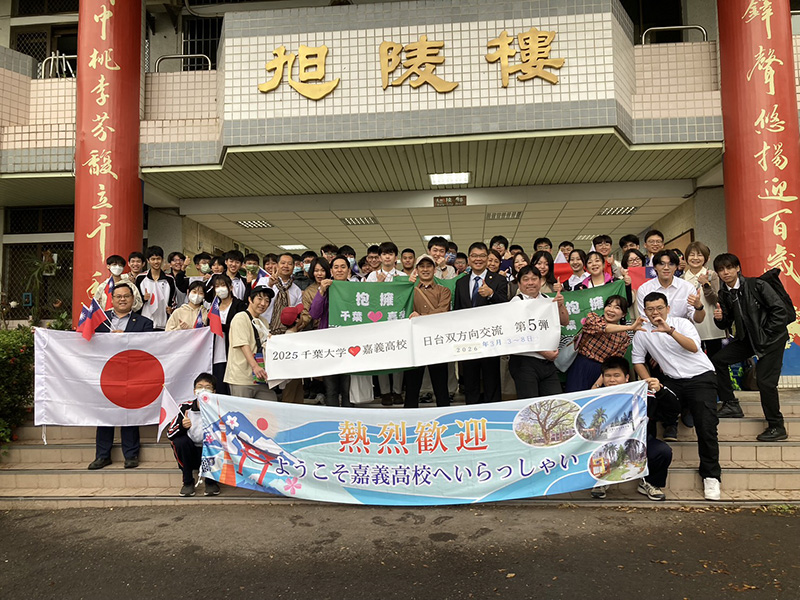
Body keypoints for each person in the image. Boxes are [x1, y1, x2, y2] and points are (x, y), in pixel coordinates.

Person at [632, 292, 722, 501]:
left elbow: (694, 347)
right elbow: (637, 361)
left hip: (701, 377)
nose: (655, 312)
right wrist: (649, 381)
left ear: (668, 308)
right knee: (651, 408)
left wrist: (670, 331)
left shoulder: (682, 323)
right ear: (644, 311)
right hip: (672, 381)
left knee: (706, 425)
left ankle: (711, 476)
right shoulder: (643, 332)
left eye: (659, 308)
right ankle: (650, 475)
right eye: (650, 309)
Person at [712, 253, 790, 441]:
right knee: (718, 360)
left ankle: (777, 426)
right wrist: (720, 319)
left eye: (729, 267)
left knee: (765, 382)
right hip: (748, 339)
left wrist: (766, 333)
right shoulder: (724, 294)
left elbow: (780, 311)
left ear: (738, 268)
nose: (726, 272)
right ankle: (731, 404)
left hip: (771, 339)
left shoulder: (757, 285)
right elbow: (726, 324)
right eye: (721, 269)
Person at [88, 282, 154, 470]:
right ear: (112, 299)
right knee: (105, 415)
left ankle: (131, 455)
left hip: (131, 374)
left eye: (126, 296)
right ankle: (102, 455)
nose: (122, 299)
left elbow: (151, 346)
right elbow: (83, 340)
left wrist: (126, 337)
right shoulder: (99, 320)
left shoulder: (144, 323)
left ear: (133, 299)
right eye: (118, 296)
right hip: (105, 375)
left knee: (129, 414)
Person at [589, 357, 675, 502]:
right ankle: (600, 481)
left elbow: (673, 409)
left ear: (627, 377)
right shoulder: (596, 397)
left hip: (638, 443)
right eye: (608, 376)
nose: (612, 380)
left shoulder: (643, 395)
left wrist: (661, 390)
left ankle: (650, 483)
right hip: (608, 444)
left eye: (617, 375)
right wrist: (596, 386)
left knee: (662, 451)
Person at [454, 242, 508, 403]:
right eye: (474, 256)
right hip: (469, 339)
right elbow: (457, 310)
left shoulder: (499, 280)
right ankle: (472, 410)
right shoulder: (461, 282)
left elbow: (506, 307)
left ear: (487, 258)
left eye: (482, 256)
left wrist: (491, 294)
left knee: (491, 379)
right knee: (470, 379)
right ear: (469, 259)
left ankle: (494, 410)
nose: (478, 259)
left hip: (490, 338)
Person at [507, 266, 569, 399]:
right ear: (519, 284)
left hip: (547, 363)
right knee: (530, 403)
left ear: (540, 281)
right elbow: (518, 334)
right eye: (526, 279)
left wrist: (560, 305)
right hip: (525, 362)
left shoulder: (547, 299)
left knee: (555, 402)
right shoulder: (516, 302)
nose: (530, 282)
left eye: (534, 279)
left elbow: (564, 322)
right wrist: (545, 352)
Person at [565, 295, 643, 392]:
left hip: (602, 373)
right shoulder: (593, 319)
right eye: (609, 306)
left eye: (617, 308)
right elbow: (604, 328)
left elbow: (612, 363)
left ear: (623, 314)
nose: (611, 310)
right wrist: (630, 327)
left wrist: (597, 384)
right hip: (580, 366)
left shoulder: (624, 337)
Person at [405, 254, 452, 408]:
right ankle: (409, 417)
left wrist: (421, 317)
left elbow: (443, 312)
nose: (425, 269)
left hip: (436, 342)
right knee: (412, 386)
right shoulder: (408, 291)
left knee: (441, 386)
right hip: (414, 342)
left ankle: (444, 416)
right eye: (422, 266)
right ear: (416, 270)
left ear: (434, 269)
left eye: (429, 266)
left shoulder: (444, 291)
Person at [310, 255, 357, 406]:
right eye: (336, 267)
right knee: (331, 389)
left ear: (349, 270)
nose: (339, 270)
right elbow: (314, 313)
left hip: (351, 344)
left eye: (343, 267)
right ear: (331, 271)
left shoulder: (356, 290)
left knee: (348, 389)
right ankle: (334, 417)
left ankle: (349, 418)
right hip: (329, 344)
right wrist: (321, 291)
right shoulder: (326, 288)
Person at [167, 373, 221, 497]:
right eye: (200, 386)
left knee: (217, 439)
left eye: (207, 387)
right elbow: (170, 433)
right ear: (194, 390)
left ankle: (211, 482)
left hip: (212, 453)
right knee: (180, 441)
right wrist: (182, 426)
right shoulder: (185, 407)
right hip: (191, 454)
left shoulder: (219, 408)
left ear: (214, 392)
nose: (203, 390)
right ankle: (187, 482)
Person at [263, 253, 305, 404]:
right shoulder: (265, 282)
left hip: (287, 337)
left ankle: (288, 404)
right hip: (265, 333)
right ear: (277, 265)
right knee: (266, 372)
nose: (286, 266)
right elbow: (257, 302)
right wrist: (269, 286)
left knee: (289, 375)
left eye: (290, 263)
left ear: (293, 267)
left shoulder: (296, 290)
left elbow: (300, 313)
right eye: (283, 263)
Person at [224, 285, 276, 400]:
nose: (263, 303)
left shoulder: (264, 321)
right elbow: (243, 344)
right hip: (242, 378)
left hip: (261, 377)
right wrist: (255, 366)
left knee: (270, 406)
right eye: (259, 299)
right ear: (250, 299)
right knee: (242, 410)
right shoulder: (240, 317)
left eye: (267, 301)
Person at [636, 249, 705, 325]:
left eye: (671, 264)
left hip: (681, 330)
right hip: (654, 330)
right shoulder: (644, 289)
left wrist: (699, 307)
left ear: (676, 267)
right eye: (662, 264)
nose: (666, 267)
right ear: (655, 267)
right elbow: (645, 319)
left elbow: (698, 320)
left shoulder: (687, 288)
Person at [681, 241, 725, 356]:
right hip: (691, 326)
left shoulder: (711, 275)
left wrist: (706, 284)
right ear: (686, 258)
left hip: (710, 325)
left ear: (705, 258)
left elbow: (715, 300)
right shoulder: (682, 278)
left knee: (715, 358)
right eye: (692, 255)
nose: (695, 258)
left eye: (699, 255)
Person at [208, 274, 248, 396]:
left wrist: (221, 326)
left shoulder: (239, 305)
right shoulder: (213, 307)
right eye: (217, 286)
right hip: (217, 353)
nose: (220, 289)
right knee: (219, 385)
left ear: (230, 287)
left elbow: (240, 326)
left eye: (223, 285)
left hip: (233, 351)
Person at [136, 245, 177, 330]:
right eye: (153, 259)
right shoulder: (141, 278)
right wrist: (143, 298)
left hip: (163, 321)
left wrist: (171, 309)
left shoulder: (169, 279)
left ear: (162, 260)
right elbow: (136, 300)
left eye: (158, 259)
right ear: (148, 261)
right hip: (145, 320)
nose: (156, 262)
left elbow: (173, 299)